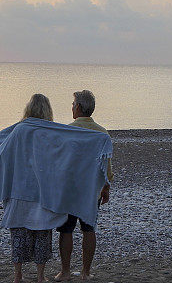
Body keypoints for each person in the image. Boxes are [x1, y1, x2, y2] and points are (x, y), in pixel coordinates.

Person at [0, 94, 112, 283]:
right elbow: (59, 157)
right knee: (47, 232)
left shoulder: (25, 130)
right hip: (59, 190)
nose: (72, 107)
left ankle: (22, 275)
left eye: (73, 105)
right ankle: (52, 276)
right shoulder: (55, 131)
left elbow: (1, 144)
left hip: (34, 190)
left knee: (25, 233)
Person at [55, 90, 113, 282]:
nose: (72, 107)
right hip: (91, 191)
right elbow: (106, 166)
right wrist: (106, 187)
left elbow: (60, 162)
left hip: (70, 190)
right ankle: (86, 273)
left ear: (78, 107)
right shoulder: (102, 132)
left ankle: (65, 271)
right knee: (89, 230)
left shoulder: (68, 131)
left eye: (73, 104)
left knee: (66, 230)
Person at [0, 94, 57, 283]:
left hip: (20, 188)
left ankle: (18, 276)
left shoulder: (19, 130)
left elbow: (2, 147)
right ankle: (40, 277)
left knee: (19, 232)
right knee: (42, 232)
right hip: (43, 190)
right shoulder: (50, 130)